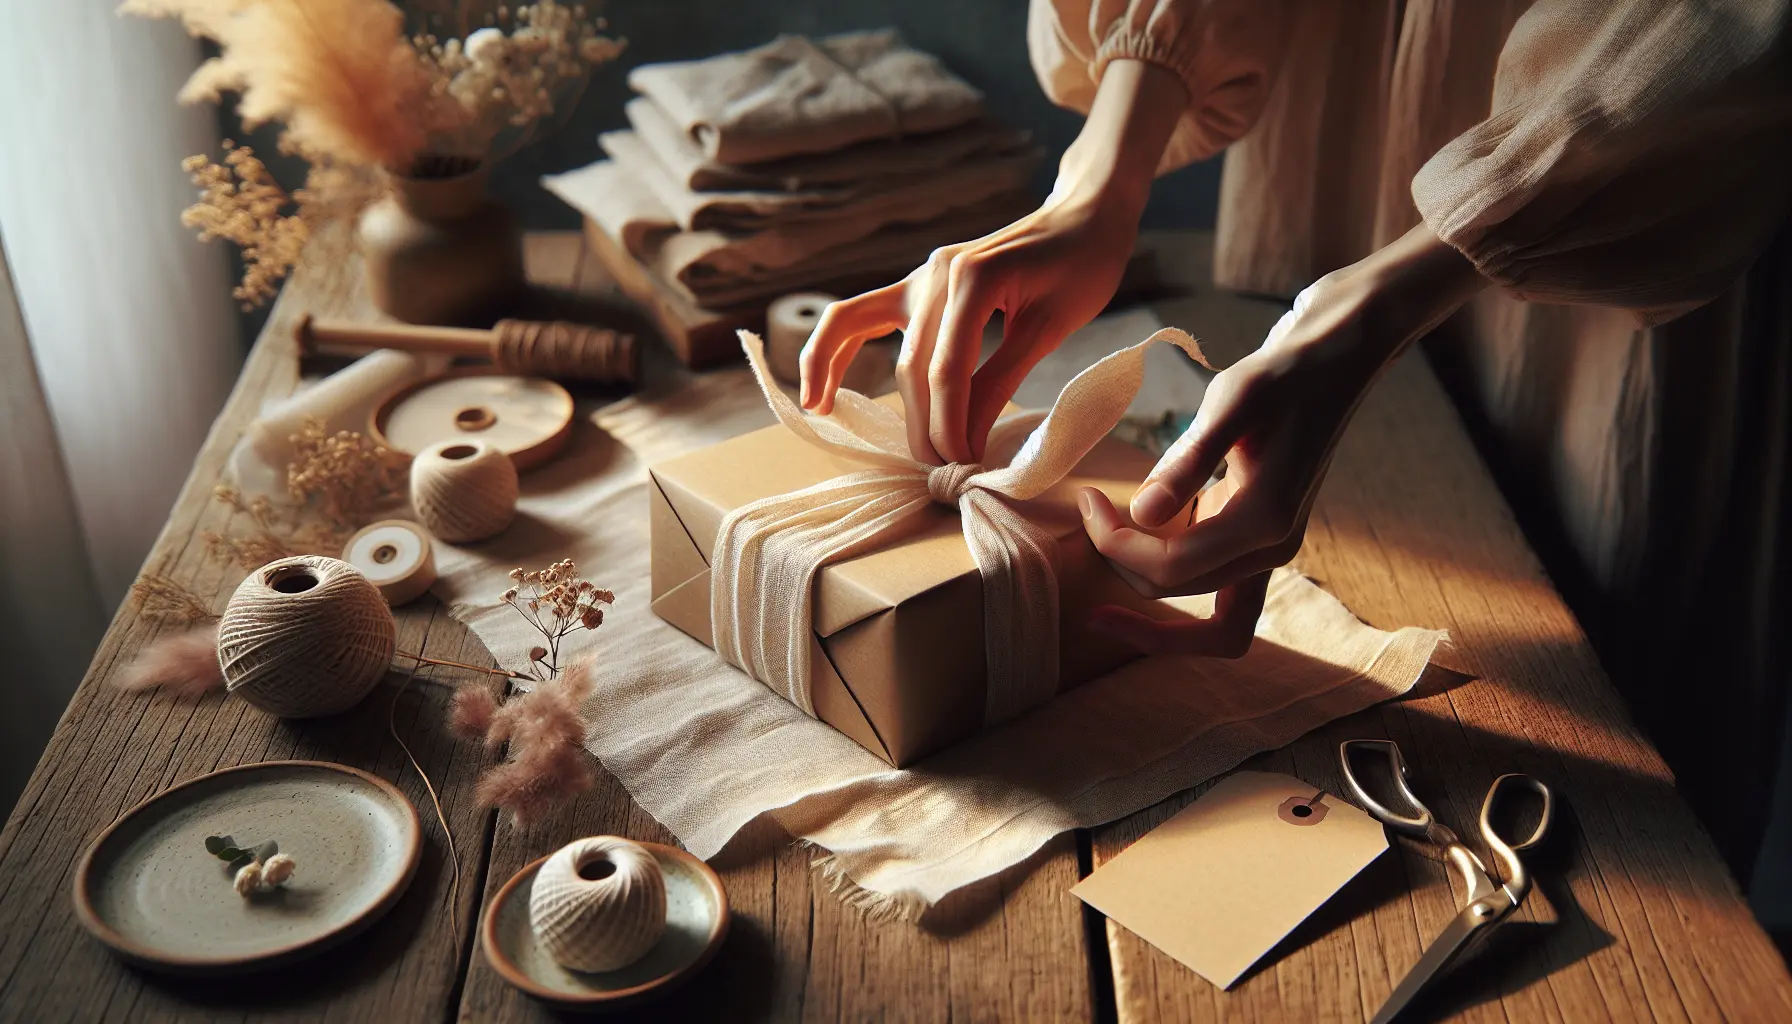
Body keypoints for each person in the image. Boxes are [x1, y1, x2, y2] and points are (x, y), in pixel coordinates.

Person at [799, 0, 1790, 660]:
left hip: (1636, 201)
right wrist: (1098, 178)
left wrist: (1420, 269)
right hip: (1346, 118)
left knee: (1592, 653)